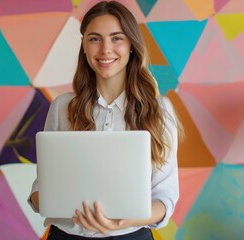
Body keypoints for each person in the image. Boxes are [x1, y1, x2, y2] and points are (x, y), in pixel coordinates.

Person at [28, 1, 183, 239]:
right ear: (84, 46)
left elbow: (165, 197)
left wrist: (125, 219)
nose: (105, 49)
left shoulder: (159, 110)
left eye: (116, 38)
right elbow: (41, 191)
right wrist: (47, 200)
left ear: (132, 45)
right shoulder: (62, 107)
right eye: (95, 39)